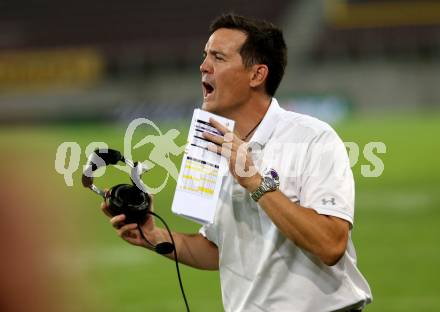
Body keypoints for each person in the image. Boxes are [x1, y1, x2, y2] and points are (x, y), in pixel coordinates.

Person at [102, 13, 372, 311]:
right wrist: (154, 236)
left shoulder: (313, 138)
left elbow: (331, 245)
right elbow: (220, 250)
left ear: (257, 75)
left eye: (218, 57)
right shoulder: (206, 144)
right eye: (205, 56)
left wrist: (254, 181)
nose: (204, 66)